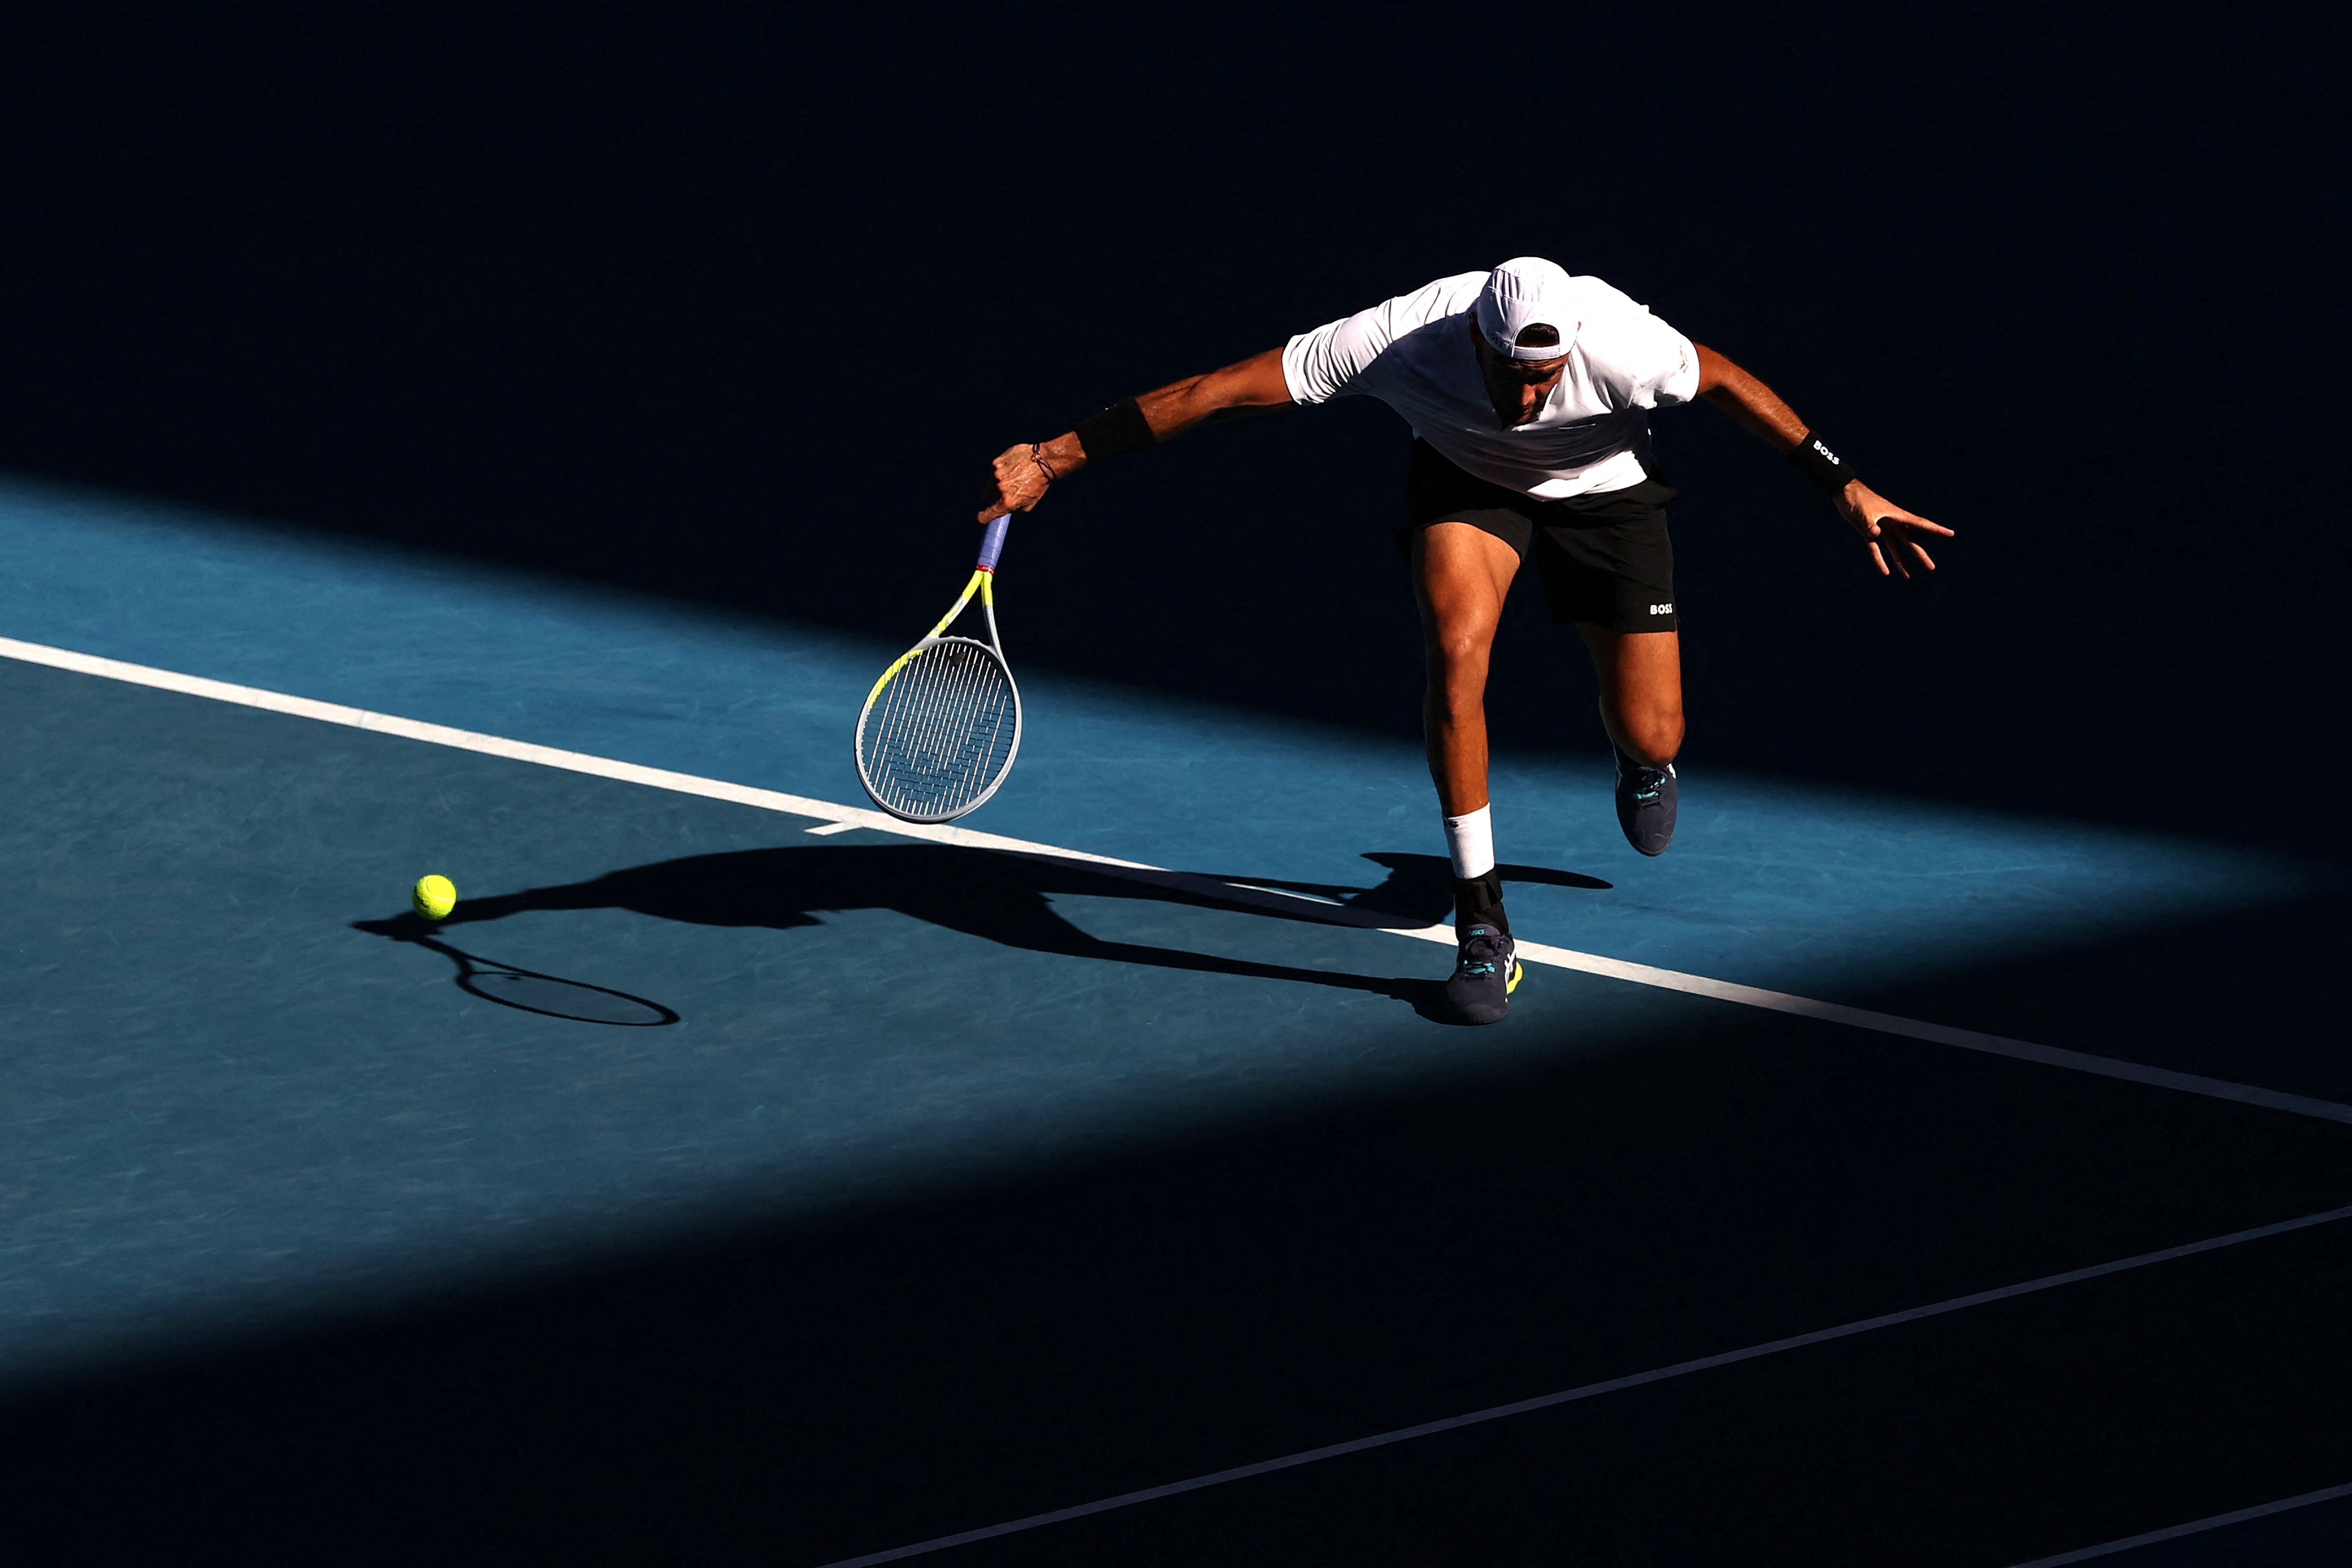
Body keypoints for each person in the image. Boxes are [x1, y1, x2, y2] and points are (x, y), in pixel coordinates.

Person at [975, 258, 1948, 1025]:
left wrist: (1845, 485)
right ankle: (1481, 918)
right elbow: (1220, 390)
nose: (1527, 399)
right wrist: (1056, 457)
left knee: (1655, 732)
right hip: (1467, 491)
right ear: (1474, 339)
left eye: (1544, 378)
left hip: (1609, 502)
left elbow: (1731, 384)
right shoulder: (1399, 337)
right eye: (1510, 376)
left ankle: (1636, 759)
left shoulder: (1625, 343)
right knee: (1456, 654)